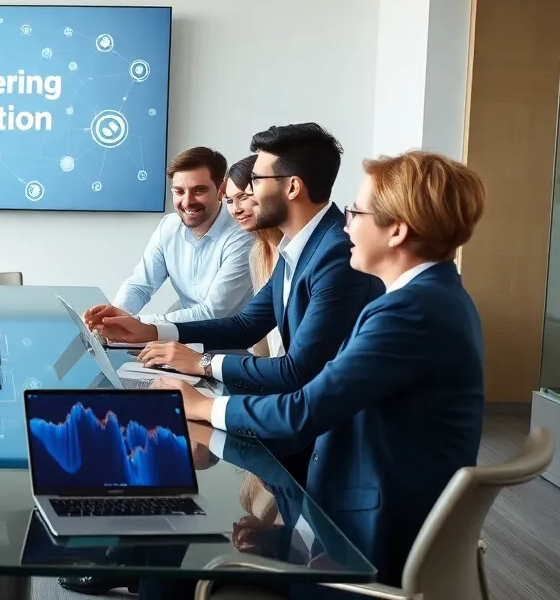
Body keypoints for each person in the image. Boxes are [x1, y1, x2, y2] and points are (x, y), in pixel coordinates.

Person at [136, 150, 487, 600]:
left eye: (357, 214)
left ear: (398, 231)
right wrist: (284, 535)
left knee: (179, 551)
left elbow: (304, 408)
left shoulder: (410, 313)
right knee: (181, 538)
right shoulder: (426, 297)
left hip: (362, 558)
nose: (345, 226)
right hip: (360, 521)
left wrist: (199, 404)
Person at [89, 123, 382, 420]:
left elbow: (297, 370)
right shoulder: (299, 244)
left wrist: (201, 363)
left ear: (292, 187)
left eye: (256, 180)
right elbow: (246, 325)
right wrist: (150, 331)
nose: (247, 194)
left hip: (325, 430)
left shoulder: (336, 253)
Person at [96, 147, 255, 337]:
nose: (187, 202)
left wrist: (136, 324)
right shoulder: (168, 227)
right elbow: (140, 286)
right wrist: (115, 316)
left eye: (199, 190)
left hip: (229, 344)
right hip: (180, 338)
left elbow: (213, 313)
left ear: (221, 190)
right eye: (179, 191)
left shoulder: (243, 236)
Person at [224, 154, 285, 357]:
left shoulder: (294, 251)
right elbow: (260, 334)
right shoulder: (258, 253)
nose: (236, 210)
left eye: (243, 197)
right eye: (230, 201)